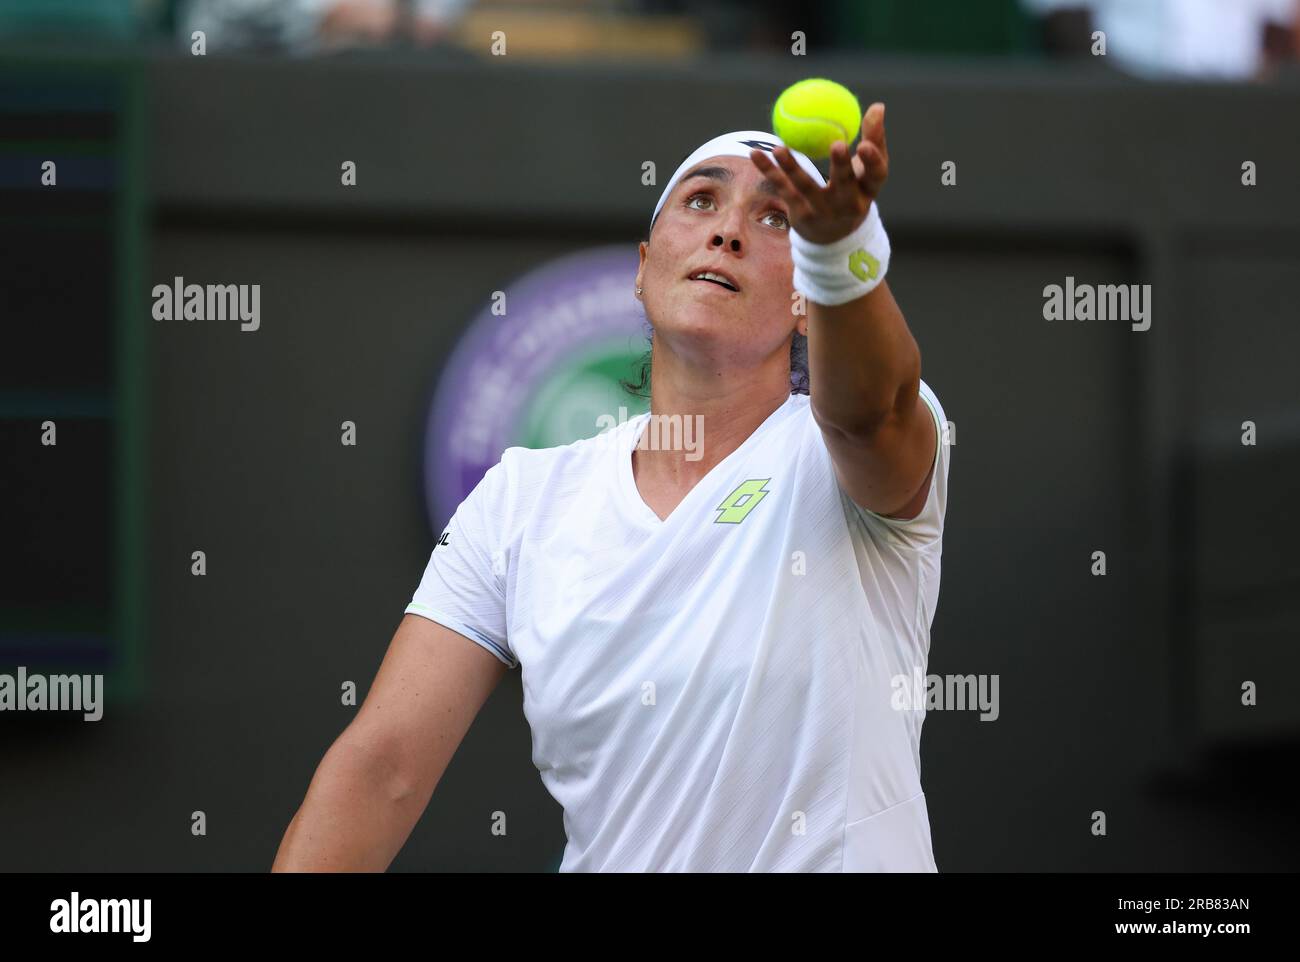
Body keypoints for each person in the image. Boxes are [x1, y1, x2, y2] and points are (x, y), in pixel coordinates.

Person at [273, 104, 951, 872]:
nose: (726, 230)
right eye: (701, 200)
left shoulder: (847, 449)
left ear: (807, 301)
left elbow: (872, 414)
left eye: (775, 218)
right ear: (642, 267)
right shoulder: (521, 501)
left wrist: (841, 251)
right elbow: (382, 768)